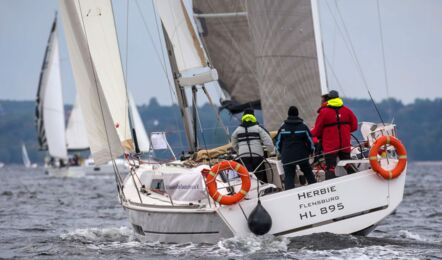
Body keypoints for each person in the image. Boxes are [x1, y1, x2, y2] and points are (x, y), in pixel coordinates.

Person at [311, 90, 358, 179]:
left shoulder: (324, 112)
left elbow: (317, 131)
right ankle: (356, 180)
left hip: (330, 146)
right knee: (348, 164)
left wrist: (308, 134)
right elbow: (354, 126)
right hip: (345, 144)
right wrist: (345, 131)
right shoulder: (347, 111)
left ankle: (331, 187)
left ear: (328, 99)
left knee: (330, 168)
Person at [275, 106, 317, 190]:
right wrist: (311, 151)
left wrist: (281, 152)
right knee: (308, 173)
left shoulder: (283, 128)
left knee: (289, 176)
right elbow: (310, 141)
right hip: (302, 155)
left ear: (288, 114)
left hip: (287, 156)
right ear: (297, 114)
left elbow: (277, 143)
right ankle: (315, 189)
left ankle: (289, 195)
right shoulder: (303, 127)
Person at [231, 108, 274, 183]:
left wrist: (239, 151)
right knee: (260, 174)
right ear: (253, 116)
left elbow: (234, 143)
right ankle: (262, 187)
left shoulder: (237, 130)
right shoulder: (258, 128)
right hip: (257, 155)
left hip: (244, 156)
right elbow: (268, 141)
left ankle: (252, 190)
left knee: (248, 175)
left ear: (243, 117)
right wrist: (270, 150)